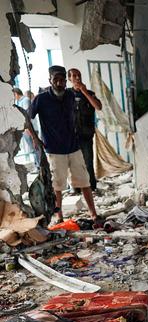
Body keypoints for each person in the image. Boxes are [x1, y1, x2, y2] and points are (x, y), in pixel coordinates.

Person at [30, 65, 98, 223]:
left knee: (84, 181)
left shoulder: (69, 95)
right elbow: (27, 119)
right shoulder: (41, 99)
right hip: (54, 149)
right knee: (57, 186)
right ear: (50, 80)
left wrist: (81, 87)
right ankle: (59, 217)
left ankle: (93, 214)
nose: (59, 83)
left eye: (62, 80)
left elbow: (95, 105)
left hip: (74, 147)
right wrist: (35, 138)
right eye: (56, 80)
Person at [67, 68, 102, 191]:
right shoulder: (67, 94)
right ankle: (76, 188)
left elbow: (98, 107)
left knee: (88, 162)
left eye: (79, 75)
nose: (77, 78)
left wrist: (84, 91)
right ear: (69, 79)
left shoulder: (89, 93)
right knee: (73, 164)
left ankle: (91, 188)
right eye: (74, 76)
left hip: (86, 135)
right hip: (71, 136)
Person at [13, 88, 39, 168]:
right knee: (32, 149)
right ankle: (37, 165)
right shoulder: (19, 102)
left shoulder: (25, 100)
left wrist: (28, 129)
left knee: (36, 148)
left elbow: (27, 116)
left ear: (16, 93)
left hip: (30, 129)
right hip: (26, 130)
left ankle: (39, 166)